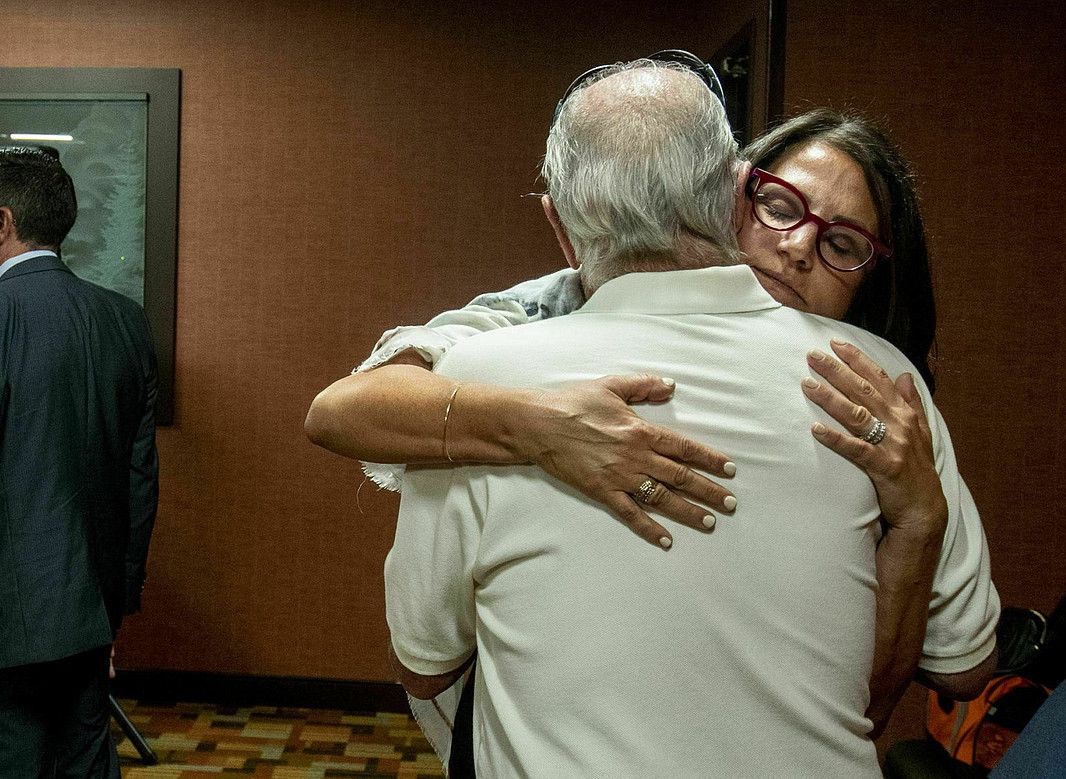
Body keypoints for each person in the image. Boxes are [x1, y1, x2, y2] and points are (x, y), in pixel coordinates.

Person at [309, 98, 996, 758]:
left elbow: (894, 696)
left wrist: (920, 518)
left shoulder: (881, 398)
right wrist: (534, 419)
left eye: (842, 243)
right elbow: (344, 408)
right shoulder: (548, 312)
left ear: (866, 279)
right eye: (779, 206)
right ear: (728, 196)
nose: (797, 249)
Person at [0, 146, 159, 778]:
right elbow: (139, 483)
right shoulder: (124, 321)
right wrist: (112, 610)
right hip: (88, 618)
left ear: (2, 222)